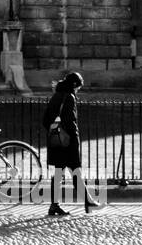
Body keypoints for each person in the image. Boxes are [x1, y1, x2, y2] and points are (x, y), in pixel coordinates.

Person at [42, 71, 100, 217]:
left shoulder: (56, 96)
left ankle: (55, 205)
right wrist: (74, 139)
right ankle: (88, 201)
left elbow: (45, 120)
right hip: (68, 142)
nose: (78, 90)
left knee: (58, 173)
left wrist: (55, 131)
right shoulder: (69, 97)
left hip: (55, 140)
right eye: (78, 87)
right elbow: (70, 122)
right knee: (75, 172)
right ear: (74, 85)